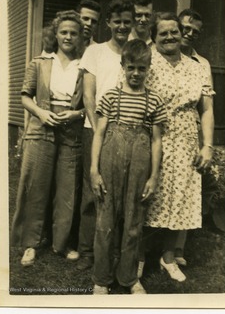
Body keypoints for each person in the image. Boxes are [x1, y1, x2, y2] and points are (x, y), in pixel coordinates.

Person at [90, 39, 167, 294]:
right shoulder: (111, 96)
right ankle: (101, 279)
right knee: (106, 219)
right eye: (131, 67)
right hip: (110, 160)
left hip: (139, 164)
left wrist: (153, 176)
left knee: (134, 222)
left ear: (149, 68)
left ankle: (129, 278)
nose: (136, 73)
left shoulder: (154, 100)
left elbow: (156, 141)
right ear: (123, 66)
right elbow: (99, 134)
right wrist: (94, 170)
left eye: (141, 69)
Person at [144, 12, 215, 282]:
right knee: (147, 195)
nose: (170, 36)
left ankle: (169, 256)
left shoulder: (196, 67)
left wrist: (207, 145)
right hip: (152, 137)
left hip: (186, 140)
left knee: (181, 198)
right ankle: (137, 258)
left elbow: (207, 109)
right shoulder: (145, 60)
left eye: (174, 31)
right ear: (154, 36)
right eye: (163, 33)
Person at [11, 10, 85, 266]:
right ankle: (30, 244)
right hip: (41, 127)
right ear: (55, 34)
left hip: (70, 130)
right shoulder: (40, 62)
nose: (68, 37)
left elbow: (90, 103)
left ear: (80, 37)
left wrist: (77, 114)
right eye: (63, 32)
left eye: (73, 33)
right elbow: (24, 95)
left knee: (66, 190)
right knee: (36, 187)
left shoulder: (84, 66)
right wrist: (41, 113)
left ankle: (61, 244)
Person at [76, 0, 135, 271]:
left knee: (119, 192)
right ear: (109, 23)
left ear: (132, 23)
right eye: (117, 21)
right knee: (94, 191)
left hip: (127, 133)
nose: (122, 26)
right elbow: (89, 95)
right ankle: (87, 250)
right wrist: (99, 126)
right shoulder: (95, 52)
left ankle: (113, 250)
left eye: (127, 21)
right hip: (96, 129)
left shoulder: (136, 52)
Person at [173, 8, 214, 266]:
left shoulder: (202, 64)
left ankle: (177, 249)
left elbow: (207, 108)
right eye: (184, 28)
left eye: (194, 32)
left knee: (186, 187)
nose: (188, 34)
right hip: (161, 131)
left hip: (189, 133)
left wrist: (207, 145)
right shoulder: (157, 54)